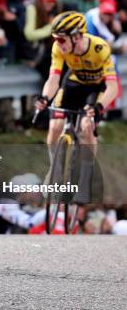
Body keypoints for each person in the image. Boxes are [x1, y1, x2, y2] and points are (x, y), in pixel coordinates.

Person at [34, 12, 118, 203]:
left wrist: (99, 106)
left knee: (87, 126)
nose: (58, 43)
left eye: (62, 39)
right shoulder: (59, 48)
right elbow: (54, 78)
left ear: (77, 36)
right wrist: (45, 97)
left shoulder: (100, 47)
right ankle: (53, 171)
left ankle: (85, 178)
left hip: (95, 88)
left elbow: (113, 86)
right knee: (55, 126)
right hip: (73, 84)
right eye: (55, 39)